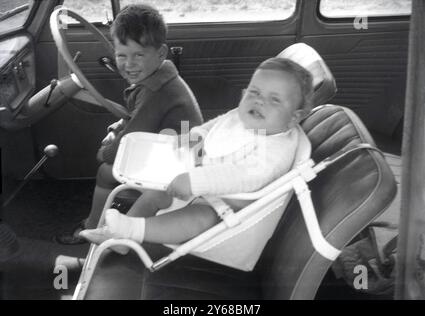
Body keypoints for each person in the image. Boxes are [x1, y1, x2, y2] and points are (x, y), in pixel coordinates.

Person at [80, 57, 314, 247]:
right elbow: (221, 123)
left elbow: (245, 176)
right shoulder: (249, 116)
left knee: (199, 218)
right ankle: (118, 237)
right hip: (203, 179)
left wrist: (196, 180)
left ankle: (132, 230)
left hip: (229, 207)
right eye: (254, 92)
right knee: (155, 192)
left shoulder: (277, 149)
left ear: (294, 118)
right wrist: (196, 135)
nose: (259, 101)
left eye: (274, 100)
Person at [56, 4, 203, 244]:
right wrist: (117, 128)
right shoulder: (160, 77)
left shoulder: (155, 91)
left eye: (138, 55)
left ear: (161, 53)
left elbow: (130, 137)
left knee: (105, 171)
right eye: (121, 55)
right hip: (169, 148)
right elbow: (139, 120)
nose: (129, 64)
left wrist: (105, 153)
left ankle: (92, 226)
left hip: (179, 164)